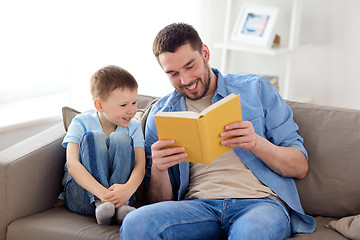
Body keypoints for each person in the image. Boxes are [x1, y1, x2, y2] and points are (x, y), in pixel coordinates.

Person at [120, 23, 315, 239]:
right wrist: (158, 169)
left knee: (250, 234)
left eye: (190, 66)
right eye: (173, 73)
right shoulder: (161, 114)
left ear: (205, 53)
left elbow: (300, 167)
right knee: (136, 223)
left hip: (260, 205)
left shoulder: (256, 88)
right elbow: (158, 204)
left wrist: (256, 143)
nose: (185, 80)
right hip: (198, 208)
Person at [59, 65, 145, 225]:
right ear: (99, 105)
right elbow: (72, 165)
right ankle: (102, 205)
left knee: (121, 138)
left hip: (123, 199)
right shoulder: (80, 122)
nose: (132, 110)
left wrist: (126, 191)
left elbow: (140, 165)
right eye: (123, 105)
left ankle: (119, 208)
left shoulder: (133, 126)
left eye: (134, 102)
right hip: (84, 195)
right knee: (94, 137)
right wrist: (104, 196)